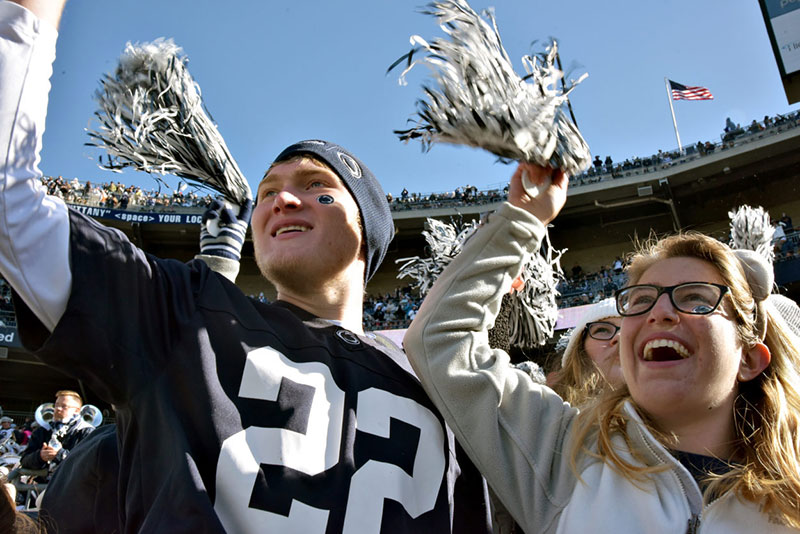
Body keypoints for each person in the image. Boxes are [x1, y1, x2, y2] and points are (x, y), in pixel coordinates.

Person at [0, 2, 491, 532]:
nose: (281, 200)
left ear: (365, 233)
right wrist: (27, 15)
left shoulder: (439, 382)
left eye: (316, 189)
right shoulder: (185, 314)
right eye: (268, 192)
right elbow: (11, 209)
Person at [404, 163, 800, 532]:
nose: (659, 312)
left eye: (696, 298)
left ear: (749, 358)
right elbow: (441, 339)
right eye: (641, 300)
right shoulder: (568, 455)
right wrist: (522, 218)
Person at [547, 298, 623, 406]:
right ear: (579, 350)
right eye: (602, 330)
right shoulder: (551, 415)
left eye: (628, 330)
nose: (620, 336)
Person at [19, 391, 94, 478]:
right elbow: (24, 461)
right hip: (41, 487)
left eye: (64, 406)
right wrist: (40, 456)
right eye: (56, 405)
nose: (58, 408)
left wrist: (59, 454)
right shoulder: (42, 430)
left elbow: (87, 464)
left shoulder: (87, 432)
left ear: (76, 411)